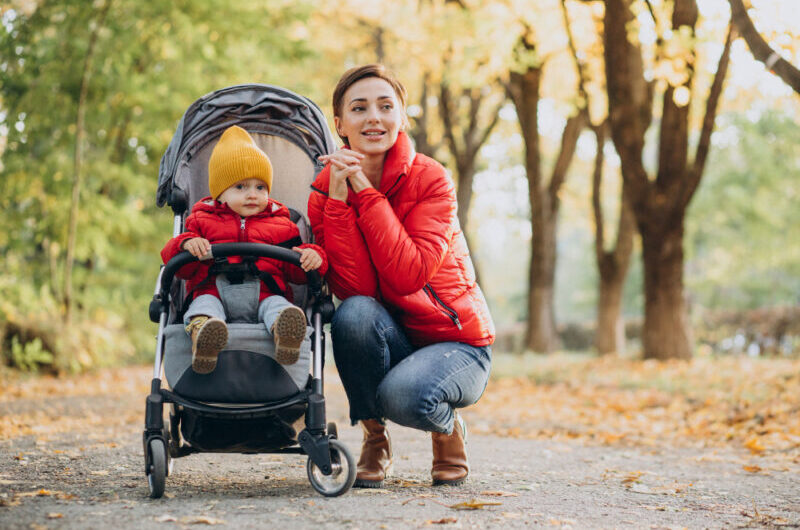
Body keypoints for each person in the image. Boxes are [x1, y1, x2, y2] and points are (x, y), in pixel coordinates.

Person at [307, 64, 495, 488]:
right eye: (359, 108)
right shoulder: (324, 191)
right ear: (340, 125)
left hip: (456, 344)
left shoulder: (432, 180)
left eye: (385, 106)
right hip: (394, 337)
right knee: (352, 313)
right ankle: (376, 439)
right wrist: (338, 200)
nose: (373, 117)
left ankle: (446, 428)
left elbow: (408, 274)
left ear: (402, 118)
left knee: (406, 397)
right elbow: (356, 290)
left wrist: (365, 192)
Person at [162, 125, 327, 374]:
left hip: (265, 294)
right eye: (240, 187)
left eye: (260, 187)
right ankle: (204, 337)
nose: (252, 194)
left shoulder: (283, 226)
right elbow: (179, 269)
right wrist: (186, 245)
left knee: (278, 307)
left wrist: (314, 258)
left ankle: (285, 334)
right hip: (212, 291)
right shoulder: (200, 221)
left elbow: (296, 275)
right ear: (219, 193)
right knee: (203, 306)